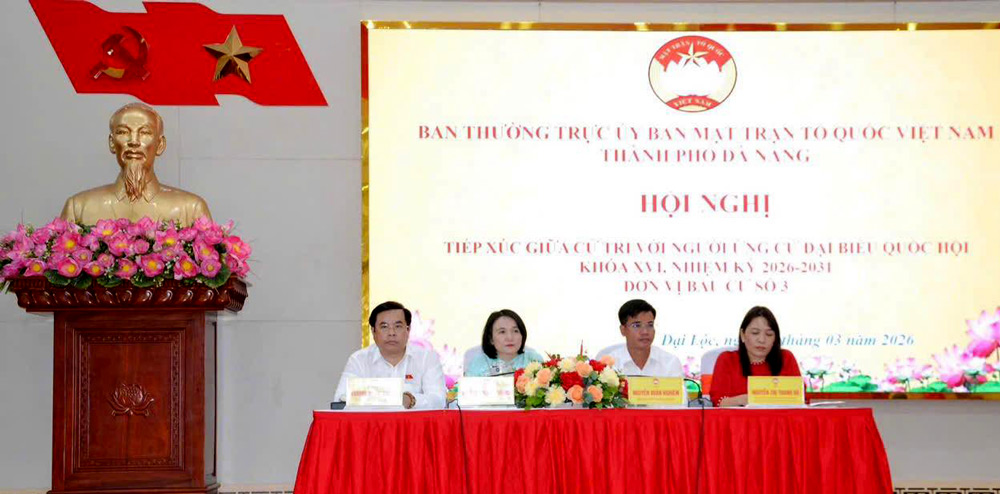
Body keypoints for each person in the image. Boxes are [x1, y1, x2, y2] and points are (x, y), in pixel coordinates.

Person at [60, 102, 212, 226]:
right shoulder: (79, 208)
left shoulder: (192, 210)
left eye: (145, 133)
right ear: (112, 143)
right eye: (123, 132)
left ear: (160, 145)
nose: (133, 141)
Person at [333, 301, 447, 409]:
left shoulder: (427, 358)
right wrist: (384, 398)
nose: (391, 333)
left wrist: (410, 400)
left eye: (398, 326)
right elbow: (340, 399)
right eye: (384, 327)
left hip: (415, 427)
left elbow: (438, 400)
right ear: (373, 331)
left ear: (408, 330)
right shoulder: (359, 360)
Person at [709, 306, 802, 407]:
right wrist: (750, 399)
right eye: (755, 333)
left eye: (769, 334)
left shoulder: (786, 358)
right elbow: (718, 402)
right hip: (739, 421)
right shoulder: (727, 360)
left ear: (775, 338)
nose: (762, 339)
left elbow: (799, 398)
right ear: (743, 335)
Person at [602, 299, 683, 377]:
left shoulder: (670, 363)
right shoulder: (609, 365)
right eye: (637, 325)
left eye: (650, 325)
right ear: (623, 330)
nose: (645, 332)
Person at [465, 309, 545, 377]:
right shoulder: (478, 363)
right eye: (502, 332)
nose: (510, 337)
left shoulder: (534, 360)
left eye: (515, 331)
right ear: (491, 339)